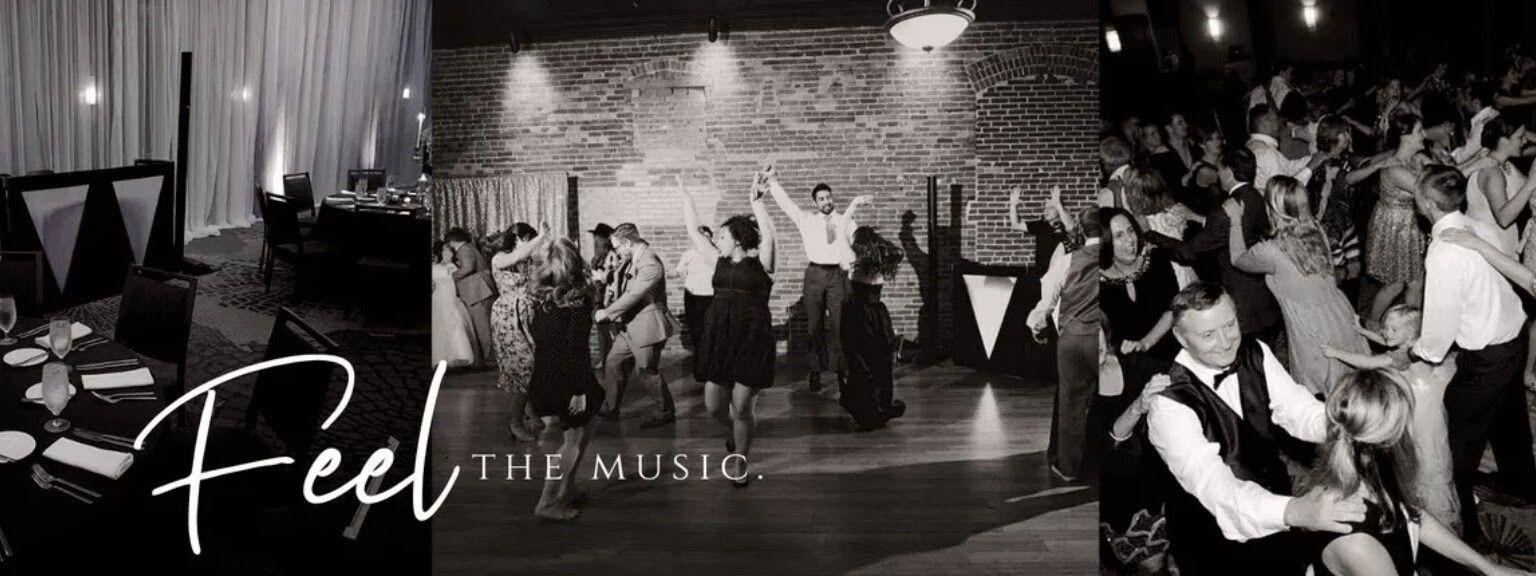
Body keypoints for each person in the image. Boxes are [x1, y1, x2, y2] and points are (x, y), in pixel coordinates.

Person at [1146, 284, 1363, 576]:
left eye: (1230, 325)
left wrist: (1348, 425)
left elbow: (1298, 409)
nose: (1226, 342)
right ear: (1180, 337)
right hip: (1212, 537)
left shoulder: (1254, 351)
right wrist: (1294, 511)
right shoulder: (1167, 404)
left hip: (1277, 509)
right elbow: (1216, 487)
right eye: (1208, 335)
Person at [1299, 370, 1533, 576]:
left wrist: (1489, 568)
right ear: (1389, 441)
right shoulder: (1356, 544)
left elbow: (1412, 515)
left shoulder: (1367, 469)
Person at [1411, 165, 1536, 543]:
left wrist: (1421, 351)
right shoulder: (1478, 227)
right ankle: (1521, 485)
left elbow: (1441, 322)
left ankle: (1467, 530)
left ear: (1427, 204)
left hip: (1489, 357)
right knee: (1510, 417)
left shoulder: (1444, 249)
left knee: (1457, 441)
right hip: (1514, 337)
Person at [1226, 176, 1368, 396]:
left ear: (1271, 208)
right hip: (1340, 313)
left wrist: (1235, 220)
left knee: (1322, 392)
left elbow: (1237, 259)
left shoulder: (1271, 250)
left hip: (1309, 327)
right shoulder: (1317, 229)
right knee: (1351, 384)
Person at [1322, 305, 1458, 533]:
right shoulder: (1413, 341)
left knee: (1424, 448)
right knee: (1426, 445)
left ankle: (1430, 503)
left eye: (1393, 329)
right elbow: (1387, 341)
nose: (1386, 333)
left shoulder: (1402, 356)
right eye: (1386, 327)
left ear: (1409, 334)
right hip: (1427, 389)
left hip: (1419, 402)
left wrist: (1335, 353)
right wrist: (1363, 331)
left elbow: (1367, 362)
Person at [681, 168, 778, 487]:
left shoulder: (763, 264)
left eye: (722, 237)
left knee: (743, 407)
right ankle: (733, 433)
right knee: (713, 407)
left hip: (751, 339)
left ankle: (739, 460)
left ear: (737, 239)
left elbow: (769, 235)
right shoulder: (718, 262)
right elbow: (694, 231)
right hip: (719, 337)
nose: (716, 240)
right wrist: (685, 196)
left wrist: (757, 202)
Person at [524, 236, 606, 522]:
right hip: (570, 378)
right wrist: (579, 390)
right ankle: (547, 502)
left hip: (547, 373)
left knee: (583, 431)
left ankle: (567, 488)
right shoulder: (577, 300)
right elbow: (576, 348)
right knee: (573, 440)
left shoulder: (541, 297)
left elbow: (541, 339)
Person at [764, 170, 869, 392]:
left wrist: (852, 267)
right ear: (815, 202)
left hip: (838, 276)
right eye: (821, 198)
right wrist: (773, 183)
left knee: (840, 325)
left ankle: (841, 372)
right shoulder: (807, 220)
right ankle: (815, 370)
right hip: (814, 274)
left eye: (829, 197)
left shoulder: (846, 221)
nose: (826, 201)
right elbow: (787, 205)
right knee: (814, 326)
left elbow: (859, 246)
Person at [595, 222, 678, 428]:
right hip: (630, 325)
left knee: (646, 371)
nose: (616, 251)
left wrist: (608, 312)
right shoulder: (632, 258)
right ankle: (611, 407)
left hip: (647, 326)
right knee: (613, 362)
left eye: (618, 247)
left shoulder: (650, 263)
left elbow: (633, 295)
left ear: (628, 242)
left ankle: (665, 411)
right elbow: (619, 281)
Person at [839, 225, 908, 431]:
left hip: (857, 315)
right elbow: (897, 254)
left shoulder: (855, 265)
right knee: (880, 362)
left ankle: (866, 409)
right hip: (878, 315)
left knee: (859, 362)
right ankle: (880, 406)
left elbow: (841, 238)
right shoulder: (879, 265)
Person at [1365, 112, 1429, 326]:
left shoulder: (1415, 159)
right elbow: (1431, 190)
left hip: (1409, 226)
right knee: (1395, 285)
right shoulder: (1394, 168)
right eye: (1419, 131)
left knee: (1415, 282)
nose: (1425, 134)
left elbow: (1446, 173)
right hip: (1395, 228)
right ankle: (1372, 325)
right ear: (1405, 136)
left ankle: (1411, 330)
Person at [490, 229, 541, 442]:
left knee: (528, 365)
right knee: (525, 366)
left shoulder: (523, 260)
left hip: (523, 315)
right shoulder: (499, 258)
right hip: (507, 317)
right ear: (518, 239)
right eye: (528, 240)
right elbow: (519, 254)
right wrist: (541, 237)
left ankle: (529, 413)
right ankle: (516, 423)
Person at [1247, 104, 1335, 190]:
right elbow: (1283, 192)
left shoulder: (1252, 145)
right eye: (1276, 118)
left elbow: (1288, 167)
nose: (1280, 122)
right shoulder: (1266, 153)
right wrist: (1310, 168)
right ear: (1265, 121)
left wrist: (1314, 158)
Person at [445, 227, 497, 368]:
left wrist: (452, 275)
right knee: (484, 327)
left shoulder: (464, 249)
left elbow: (468, 268)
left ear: (453, 240)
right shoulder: (469, 247)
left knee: (483, 329)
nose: (449, 246)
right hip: (479, 292)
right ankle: (488, 358)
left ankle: (491, 360)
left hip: (477, 292)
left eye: (449, 242)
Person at [671, 226, 717, 350]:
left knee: (712, 328)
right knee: (695, 327)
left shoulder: (717, 254)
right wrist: (673, 274)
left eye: (707, 238)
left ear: (710, 238)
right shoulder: (688, 254)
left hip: (712, 296)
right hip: (693, 296)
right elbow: (679, 271)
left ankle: (712, 356)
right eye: (701, 238)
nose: (704, 241)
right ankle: (698, 355)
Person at [431, 241, 476, 368]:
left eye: (451, 250)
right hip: (437, 299)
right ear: (441, 252)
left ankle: (458, 354)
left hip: (451, 299)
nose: (451, 252)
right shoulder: (434, 267)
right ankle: (440, 356)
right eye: (447, 250)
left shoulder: (453, 267)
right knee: (439, 326)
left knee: (455, 324)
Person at [589, 223, 618, 370]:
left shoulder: (612, 255)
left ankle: (616, 361)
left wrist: (598, 276)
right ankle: (604, 358)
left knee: (613, 329)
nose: (595, 241)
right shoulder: (597, 257)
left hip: (609, 297)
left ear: (605, 239)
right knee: (601, 330)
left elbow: (611, 276)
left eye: (598, 238)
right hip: (598, 296)